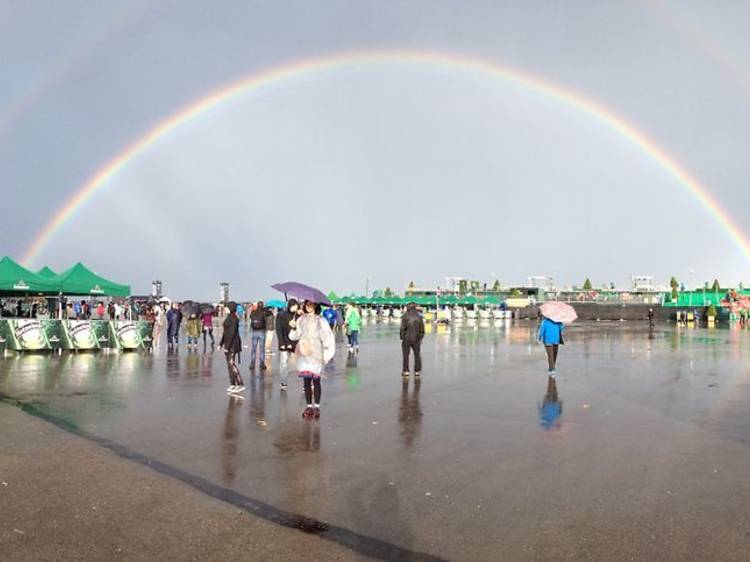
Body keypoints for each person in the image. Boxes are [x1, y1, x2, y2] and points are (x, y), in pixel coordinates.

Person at [289, 300, 335, 419]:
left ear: (315, 305)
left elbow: (327, 337)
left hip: (316, 354)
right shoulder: (300, 320)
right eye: (307, 304)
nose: (308, 306)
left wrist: (327, 354)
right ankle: (309, 406)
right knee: (306, 382)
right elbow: (294, 336)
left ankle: (317, 407)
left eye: (311, 304)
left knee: (316, 381)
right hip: (304, 354)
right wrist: (293, 327)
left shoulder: (321, 320)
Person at [219, 302, 245, 393]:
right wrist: (220, 344)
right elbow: (225, 333)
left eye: (226, 308)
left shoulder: (234, 319)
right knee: (229, 365)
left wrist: (227, 346)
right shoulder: (228, 317)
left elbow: (231, 333)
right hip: (228, 344)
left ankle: (240, 383)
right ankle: (232, 384)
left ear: (230, 308)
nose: (225, 309)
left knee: (232, 364)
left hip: (233, 344)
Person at [275, 299, 299, 391]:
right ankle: (283, 381)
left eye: (296, 306)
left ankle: (307, 383)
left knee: (303, 362)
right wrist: (281, 343)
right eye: (294, 306)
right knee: (284, 362)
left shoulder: (298, 315)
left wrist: (295, 325)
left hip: (295, 342)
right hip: (284, 342)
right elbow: (279, 330)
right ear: (290, 306)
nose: (295, 308)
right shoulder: (281, 315)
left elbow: (301, 329)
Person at [400, 302, 425, 378]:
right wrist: (420, 338)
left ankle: (406, 371)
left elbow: (402, 329)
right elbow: (422, 330)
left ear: (408, 307)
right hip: (416, 339)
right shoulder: (419, 317)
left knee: (405, 356)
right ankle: (417, 371)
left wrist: (402, 337)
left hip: (407, 339)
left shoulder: (405, 316)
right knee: (417, 355)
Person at [248, 301, 269, 370]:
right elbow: (266, 320)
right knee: (261, 348)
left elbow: (250, 319)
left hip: (254, 331)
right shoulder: (264, 313)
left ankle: (252, 363)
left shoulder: (253, 312)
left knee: (254, 348)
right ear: (262, 306)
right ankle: (262, 363)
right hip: (262, 331)